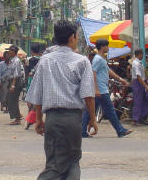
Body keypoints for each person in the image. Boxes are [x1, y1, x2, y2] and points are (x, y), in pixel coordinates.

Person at [26, 20, 97, 180]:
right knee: (71, 161)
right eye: (77, 36)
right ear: (72, 37)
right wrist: (92, 119)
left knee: (55, 162)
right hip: (73, 119)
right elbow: (88, 95)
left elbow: (38, 94)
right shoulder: (82, 61)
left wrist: (38, 119)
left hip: (52, 119)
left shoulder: (45, 60)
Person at [82, 39, 132, 138]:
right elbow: (93, 73)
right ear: (103, 47)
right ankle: (120, 130)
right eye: (107, 46)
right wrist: (96, 89)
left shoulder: (101, 59)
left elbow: (108, 71)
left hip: (100, 89)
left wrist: (121, 79)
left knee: (90, 111)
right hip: (101, 90)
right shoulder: (98, 59)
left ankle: (82, 131)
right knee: (109, 110)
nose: (108, 48)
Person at [131, 49, 148, 125]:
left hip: (142, 82)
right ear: (139, 54)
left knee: (147, 99)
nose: (143, 56)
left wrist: (147, 81)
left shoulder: (140, 63)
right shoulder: (136, 63)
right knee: (138, 101)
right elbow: (138, 76)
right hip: (138, 83)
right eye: (142, 54)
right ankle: (135, 119)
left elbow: (142, 75)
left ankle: (146, 116)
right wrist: (145, 85)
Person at [7, 45, 25, 125]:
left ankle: (17, 118)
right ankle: (18, 115)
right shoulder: (12, 60)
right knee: (11, 99)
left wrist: (13, 85)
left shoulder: (16, 61)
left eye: (10, 51)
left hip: (15, 82)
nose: (8, 52)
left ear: (13, 52)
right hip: (12, 81)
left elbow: (16, 74)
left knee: (12, 100)